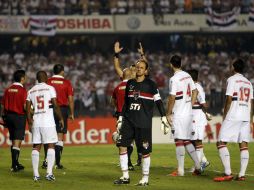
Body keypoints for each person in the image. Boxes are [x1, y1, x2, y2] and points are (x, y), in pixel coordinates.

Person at [113, 60, 171, 186]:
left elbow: (158, 101)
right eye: (137, 67)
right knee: (122, 146)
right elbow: (126, 103)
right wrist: (121, 118)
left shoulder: (151, 85)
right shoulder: (130, 83)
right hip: (128, 121)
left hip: (143, 123)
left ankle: (145, 178)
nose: (138, 69)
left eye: (141, 68)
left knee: (145, 151)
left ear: (146, 71)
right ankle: (125, 176)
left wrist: (163, 117)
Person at [214, 58, 253, 182]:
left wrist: (225, 115)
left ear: (233, 67)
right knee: (244, 145)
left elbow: (229, 98)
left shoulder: (231, 80)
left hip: (234, 114)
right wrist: (251, 119)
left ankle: (227, 173)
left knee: (220, 142)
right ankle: (241, 175)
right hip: (246, 115)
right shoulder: (248, 82)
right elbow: (252, 102)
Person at [166, 55, 202, 177]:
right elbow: (195, 91)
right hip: (188, 113)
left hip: (179, 114)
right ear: (181, 63)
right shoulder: (187, 76)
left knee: (178, 140)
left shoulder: (174, 79)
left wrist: (168, 112)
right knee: (186, 140)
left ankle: (180, 170)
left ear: (171, 64)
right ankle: (198, 166)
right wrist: (190, 104)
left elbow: (172, 97)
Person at [26, 71, 64, 181]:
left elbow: (28, 110)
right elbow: (55, 105)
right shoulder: (50, 88)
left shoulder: (31, 91)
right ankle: (49, 173)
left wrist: (29, 122)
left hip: (36, 122)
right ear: (46, 78)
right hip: (48, 122)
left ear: (37, 79)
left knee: (36, 147)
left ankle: (36, 175)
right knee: (51, 146)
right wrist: (61, 118)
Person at [113, 41, 147, 166]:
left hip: (136, 111)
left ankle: (136, 158)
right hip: (125, 113)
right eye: (132, 68)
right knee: (128, 138)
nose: (134, 70)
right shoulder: (126, 79)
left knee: (138, 137)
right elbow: (117, 67)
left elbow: (146, 68)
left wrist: (142, 55)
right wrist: (116, 54)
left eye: (135, 68)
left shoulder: (138, 79)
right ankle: (129, 160)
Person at [42, 64, 74, 169]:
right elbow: (70, 99)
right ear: (62, 71)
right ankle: (57, 163)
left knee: (48, 136)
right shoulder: (67, 83)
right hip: (62, 110)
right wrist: (72, 113)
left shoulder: (48, 81)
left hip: (49, 109)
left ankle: (46, 161)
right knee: (60, 136)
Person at [0, 69, 27, 172]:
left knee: (13, 141)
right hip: (19, 117)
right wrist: (31, 111)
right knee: (17, 141)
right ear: (22, 78)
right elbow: (25, 106)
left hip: (9, 117)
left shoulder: (8, 89)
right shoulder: (23, 90)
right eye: (25, 77)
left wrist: (3, 117)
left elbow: (2, 105)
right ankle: (15, 165)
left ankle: (14, 164)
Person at [188, 69, 212, 171]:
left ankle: (197, 167)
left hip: (197, 116)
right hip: (191, 115)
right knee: (190, 141)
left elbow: (203, 103)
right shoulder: (191, 87)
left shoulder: (197, 87)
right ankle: (203, 161)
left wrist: (206, 112)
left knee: (197, 141)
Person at [111, 68, 135, 170]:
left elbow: (112, 100)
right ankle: (128, 162)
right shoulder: (132, 86)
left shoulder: (117, 87)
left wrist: (116, 107)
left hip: (120, 115)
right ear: (129, 75)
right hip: (132, 115)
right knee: (131, 140)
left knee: (122, 140)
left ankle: (125, 161)